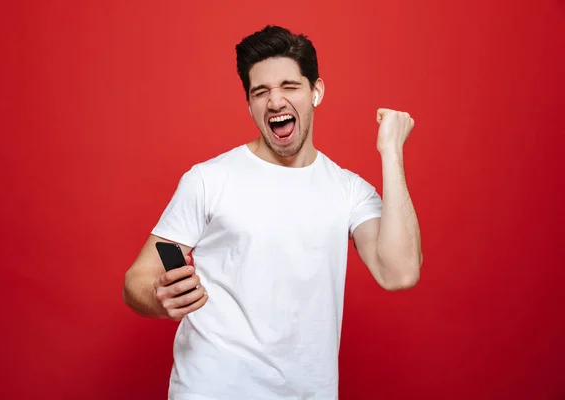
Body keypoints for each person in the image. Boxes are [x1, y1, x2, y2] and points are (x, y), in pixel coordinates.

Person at [123, 25, 422, 400]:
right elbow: (137, 278)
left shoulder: (348, 190)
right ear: (249, 104)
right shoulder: (209, 179)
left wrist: (391, 152)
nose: (275, 102)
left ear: (316, 92)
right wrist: (159, 297)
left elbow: (400, 272)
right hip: (212, 387)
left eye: (289, 87)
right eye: (260, 92)